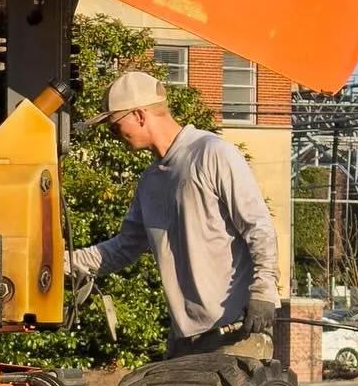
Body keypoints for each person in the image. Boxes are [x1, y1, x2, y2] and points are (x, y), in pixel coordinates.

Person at [67, 69, 280, 359]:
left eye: (115, 125)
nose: (113, 135)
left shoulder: (211, 153)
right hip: (185, 342)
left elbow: (258, 227)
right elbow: (124, 248)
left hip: (236, 334)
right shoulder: (150, 181)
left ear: (140, 115)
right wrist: (62, 264)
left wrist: (264, 292)